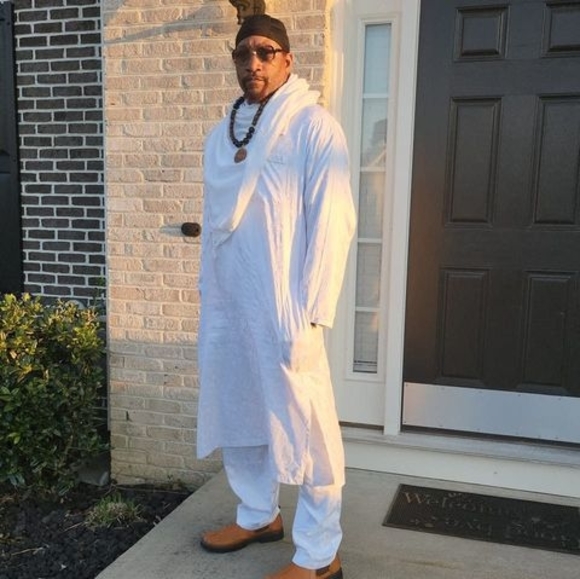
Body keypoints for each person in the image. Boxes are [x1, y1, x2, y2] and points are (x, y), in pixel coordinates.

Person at [196, 14, 356, 579]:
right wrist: (210, 301)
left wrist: (312, 312)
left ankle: (319, 555)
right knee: (240, 408)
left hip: (287, 310)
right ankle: (258, 514)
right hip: (230, 303)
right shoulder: (222, 134)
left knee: (309, 428)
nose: (253, 63)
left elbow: (334, 221)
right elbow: (216, 226)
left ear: (288, 59)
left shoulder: (314, 127)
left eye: (266, 52)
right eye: (243, 53)